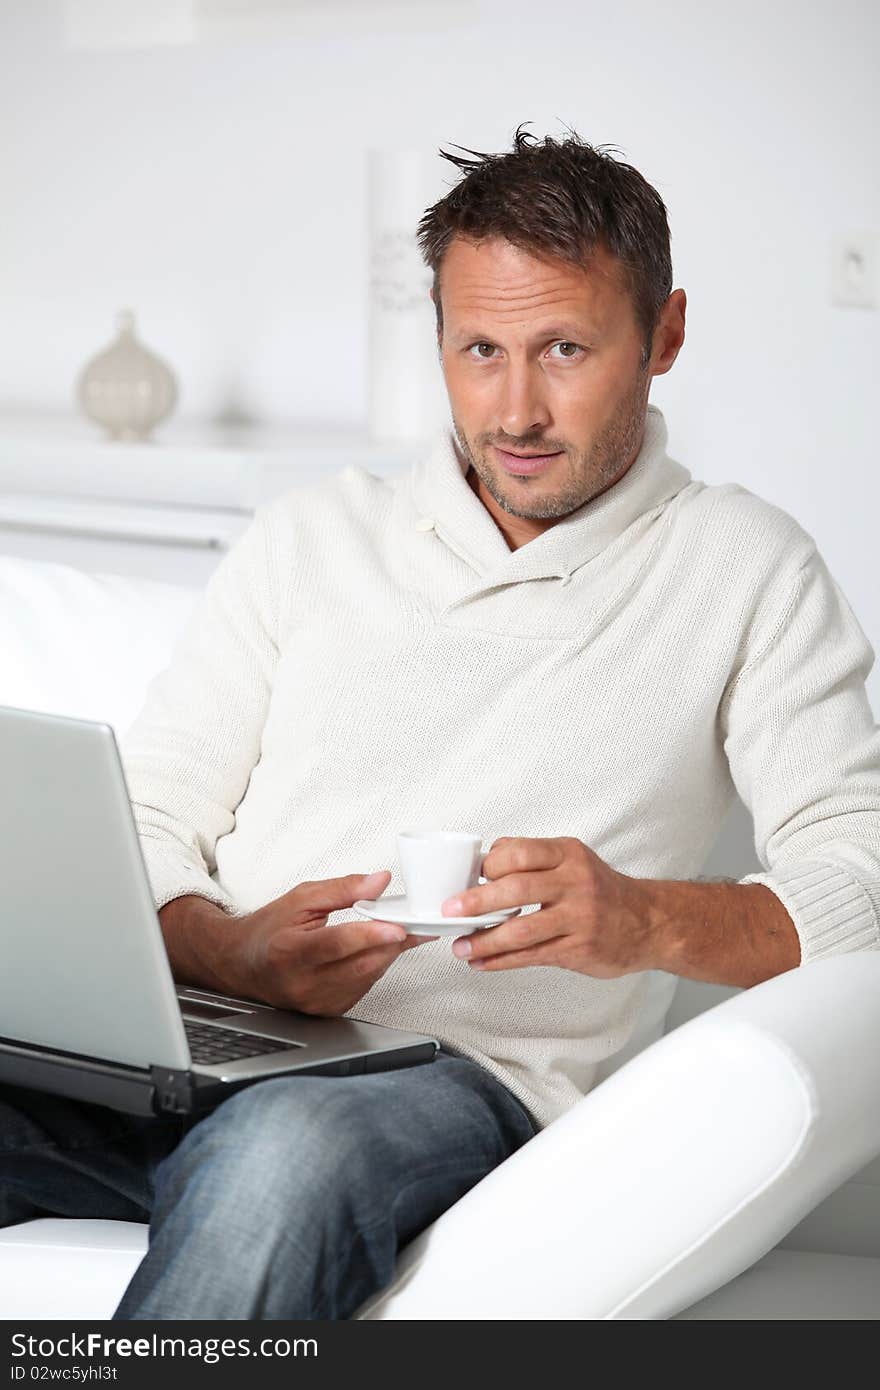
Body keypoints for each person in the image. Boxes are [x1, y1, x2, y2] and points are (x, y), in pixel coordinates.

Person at [2, 124, 878, 1320]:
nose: (514, 408)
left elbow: (861, 869)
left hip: (458, 1084)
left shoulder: (745, 568)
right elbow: (148, 812)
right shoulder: (310, 537)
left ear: (664, 335)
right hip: (211, 1038)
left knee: (276, 1158)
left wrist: (641, 918)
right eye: (478, 350)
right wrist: (227, 946)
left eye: (565, 348)